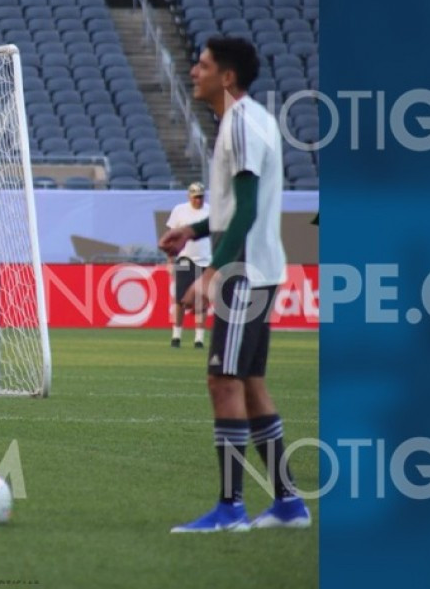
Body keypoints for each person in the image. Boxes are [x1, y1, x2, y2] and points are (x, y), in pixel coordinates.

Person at [159, 37, 310, 532]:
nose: (193, 72)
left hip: (243, 275)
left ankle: (230, 510)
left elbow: (246, 212)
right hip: (256, 269)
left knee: (222, 381)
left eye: (202, 65)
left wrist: (210, 272)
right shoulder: (246, 121)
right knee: (248, 383)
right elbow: (236, 210)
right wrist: (194, 231)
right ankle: (288, 503)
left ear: (227, 77)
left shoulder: (241, 124)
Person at [165, 182, 211, 349]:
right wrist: (170, 260)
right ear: (189, 196)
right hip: (185, 258)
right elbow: (171, 236)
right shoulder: (180, 210)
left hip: (205, 259)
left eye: (200, 197)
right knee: (180, 298)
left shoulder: (210, 210)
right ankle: (176, 335)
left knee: (202, 300)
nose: (198, 200)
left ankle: (199, 338)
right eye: (195, 197)